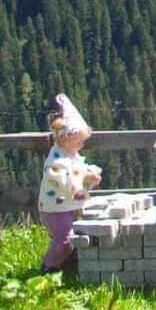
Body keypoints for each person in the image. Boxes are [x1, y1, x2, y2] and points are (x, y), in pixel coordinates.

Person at [38, 93, 101, 274]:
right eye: (78, 141)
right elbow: (64, 182)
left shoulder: (69, 154)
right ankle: (49, 267)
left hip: (68, 206)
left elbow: (78, 168)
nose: (81, 145)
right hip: (55, 209)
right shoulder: (57, 161)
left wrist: (89, 172)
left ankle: (67, 265)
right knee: (64, 239)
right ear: (65, 139)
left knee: (71, 236)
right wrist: (85, 179)